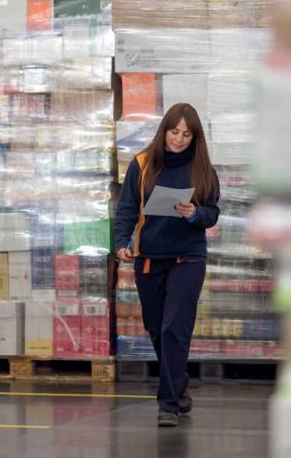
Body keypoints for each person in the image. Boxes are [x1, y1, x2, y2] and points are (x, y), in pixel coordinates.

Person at [114, 103, 220, 428]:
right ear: (164, 131)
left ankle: (168, 405)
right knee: (156, 327)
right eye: (174, 132)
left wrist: (195, 214)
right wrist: (121, 244)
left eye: (187, 134)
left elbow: (212, 213)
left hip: (188, 258)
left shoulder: (202, 169)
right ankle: (179, 384)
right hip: (149, 257)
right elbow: (127, 209)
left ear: (195, 137)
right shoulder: (142, 164)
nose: (179, 139)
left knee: (175, 327)